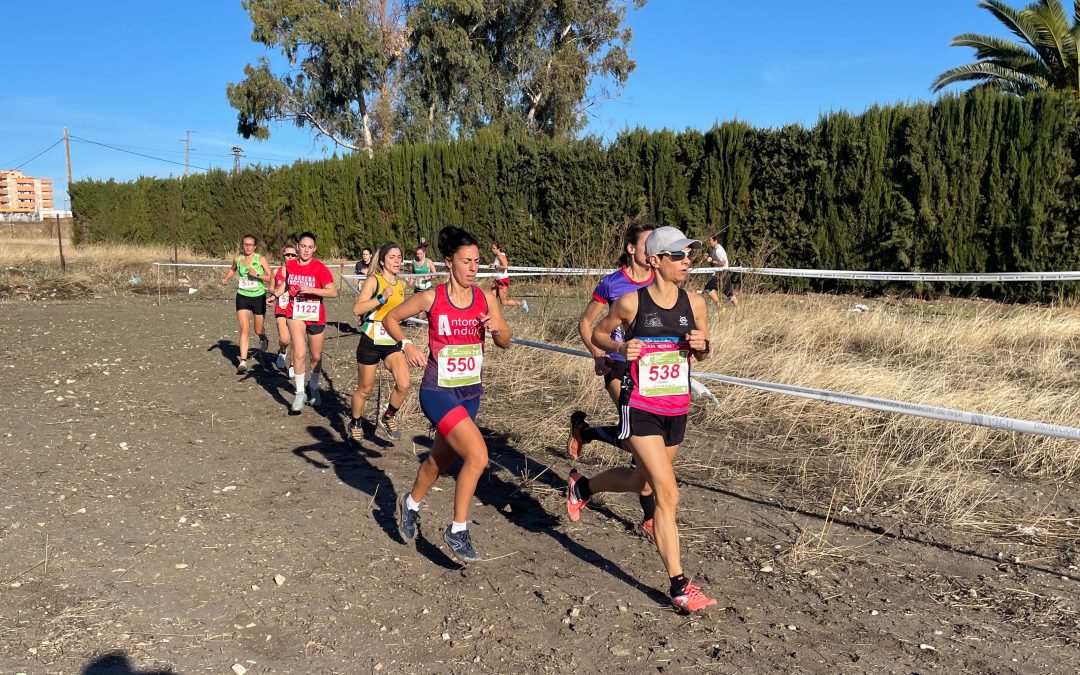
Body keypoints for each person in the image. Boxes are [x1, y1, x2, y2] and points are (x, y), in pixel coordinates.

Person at [567, 226, 715, 613]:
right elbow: (598, 332)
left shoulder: (694, 303)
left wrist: (703, 346)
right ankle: (680, 586)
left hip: (676, 409)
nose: (687, 262)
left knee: (642, 482)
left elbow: (703, 350)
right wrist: (620, 346)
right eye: (679, 255)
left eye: (689, 255)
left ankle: (583, 488)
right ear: (655, 260)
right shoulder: (632, 303)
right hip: (641, 408)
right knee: (668, 493)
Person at [383, 226, 511, 564]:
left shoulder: (486, 298)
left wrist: (496, 330)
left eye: (477, 262)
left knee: (441, 460)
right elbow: (390, 318)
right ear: (449, 262)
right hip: (437, 390)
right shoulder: (433, 297)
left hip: (470, 392)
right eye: (466, 261)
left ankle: (409, 504)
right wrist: (406, 344)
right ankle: (457, 529)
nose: (473, 268)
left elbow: (506, 340)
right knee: (478, 456)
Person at [567, 221, 656, 539]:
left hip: (649, 371)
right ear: (632, 249)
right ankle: (650, 519)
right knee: (641, 440)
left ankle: (586, 432)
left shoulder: (660, 281)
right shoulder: (612, 283)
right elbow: (586, 322)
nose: (654, 251)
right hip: (618, 366)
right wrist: (596, 353)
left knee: (642, 442)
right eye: (648, 244)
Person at [349, 241, 411, 442]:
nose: (396, 261)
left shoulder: (400, 284)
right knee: (365, 389)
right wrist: (381, 299)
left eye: (399, 257)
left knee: (404, 383)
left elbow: (398, 313)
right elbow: (357, 309)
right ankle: (356, 422)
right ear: (383, 261)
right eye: (392, 257)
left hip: (391, 340)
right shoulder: (374, 281)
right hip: (371, 340)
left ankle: (388, 416)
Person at [273, 231, 337, 412]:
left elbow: (332, 292)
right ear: (298, 247)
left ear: (314, 249)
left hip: (316, 315)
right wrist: (275, 295)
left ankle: (313, 387)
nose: (306, 250)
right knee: (299, 352)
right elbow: (285, 284)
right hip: (295, 312)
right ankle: (300, 392)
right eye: (303, 246)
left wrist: (312, 289)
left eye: (310, 247)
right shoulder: (291, 265)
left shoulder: (320, 268)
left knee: (316, 356)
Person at [220, 234, 271, 374]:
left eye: (250, 244)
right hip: (242, 296)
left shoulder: (260, 259)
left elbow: (271, 277)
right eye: (245, 244)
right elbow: (233, 269)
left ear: (255, 246)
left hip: (258, 297)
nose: (247, 247)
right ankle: (243, 361)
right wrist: (226, 278)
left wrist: (257, 275)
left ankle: (263, 338)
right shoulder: (238, 259)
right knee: (244, 329)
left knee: (258, 329)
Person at [267, 244, 297, 375]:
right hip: (281, 306)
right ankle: (282, 351)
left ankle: (292, 365)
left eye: (293, 255)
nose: (290, 257)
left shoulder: (299, 271)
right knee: (285, 339)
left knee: (296, 339)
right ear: (283, 256)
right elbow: (271, 288)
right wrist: (275, 294)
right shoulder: (276, 271)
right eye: (287, 254)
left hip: (296, 308)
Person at [490, 242, 528, 313]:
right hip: (497, 279)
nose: (492, 250)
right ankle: (491, 313)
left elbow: (506, 266)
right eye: (492, 248)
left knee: (504, 302)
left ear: (499, 249)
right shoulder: (498, 256)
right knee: (491, 297)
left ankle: (522, 304)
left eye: (494, 248)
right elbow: (498, 266)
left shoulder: (500, 256)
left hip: (503, 280)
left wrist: (496, 266)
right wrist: (493, 265)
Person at [704, 233, 738, 308]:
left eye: (710, 240)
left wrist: (711, 261)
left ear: (715, 240)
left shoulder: (718, 250)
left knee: (708, 288)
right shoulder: (714, 249)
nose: (709, 242)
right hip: (723, 273)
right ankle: (739, 309)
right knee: (729, 293)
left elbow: (723, 263)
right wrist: (708, 258)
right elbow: (715, 261)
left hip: (722, 273)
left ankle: (720, 307)